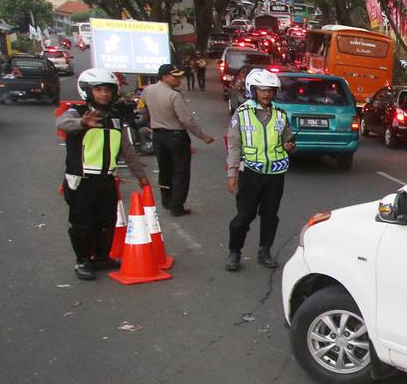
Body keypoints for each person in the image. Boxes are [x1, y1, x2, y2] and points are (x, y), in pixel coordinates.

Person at [55, 69, 150, 280]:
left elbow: (127, 150)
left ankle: (101, 257)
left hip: (107, 180)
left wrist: (141, 176)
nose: (104, 94)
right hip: (82, 181)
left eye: (107, 89)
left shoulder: (115, 119)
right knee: (82, 225)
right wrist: (81, 123)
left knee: (107, 223)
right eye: (98, 89)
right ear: (87, 91)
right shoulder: (77, 113)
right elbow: (61, 123)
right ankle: (82, 260)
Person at [225, 68, 296, 271]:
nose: (267, 94)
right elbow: (234, 145)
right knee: (244, 216)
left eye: (271, 90)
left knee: (270, 215)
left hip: (275, 174)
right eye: (263, 90)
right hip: (251, 174)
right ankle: (235, 252)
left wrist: (290, 146)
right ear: (253, 90)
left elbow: (288, 140)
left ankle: (264, 251)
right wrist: (232, 174)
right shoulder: (242, 114)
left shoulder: (281, 114)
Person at [141, 63, 215, 216]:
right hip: (176, 137)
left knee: (164, 170)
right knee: (180, 171)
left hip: (158, 136)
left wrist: (151, 122)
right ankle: (177, 206)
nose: (179, 79)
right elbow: (186, 120)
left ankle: (167, 201)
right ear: (165, 77)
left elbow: (142, 109)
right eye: (175, 76)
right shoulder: (174, 95)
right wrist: (203, 136)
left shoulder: (148, 90)